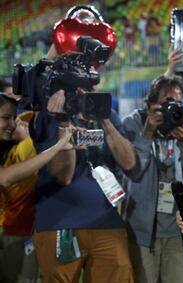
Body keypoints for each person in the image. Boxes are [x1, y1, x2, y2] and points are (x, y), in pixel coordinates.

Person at [30, 86, 136, 282]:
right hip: (60, 224)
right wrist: (63, 121)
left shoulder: (107, 114)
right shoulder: (51, 114)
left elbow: (129, 162)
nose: (85, 88)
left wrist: (104, 118)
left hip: (107, 222)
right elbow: (63, 176)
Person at [122, 74, 183, 283]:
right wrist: (147, 133)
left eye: (178, 103)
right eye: (166, 103)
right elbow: (132, 170)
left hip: (179, 229)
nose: (172, 109)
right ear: (150, 104)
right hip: (141, 231)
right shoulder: (133, 123)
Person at [0, 93, 74, 283]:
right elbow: (5, 178)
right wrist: (57, 147)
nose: (13, 125)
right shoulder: (19, 148)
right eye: (5, 118)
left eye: (14, 118)